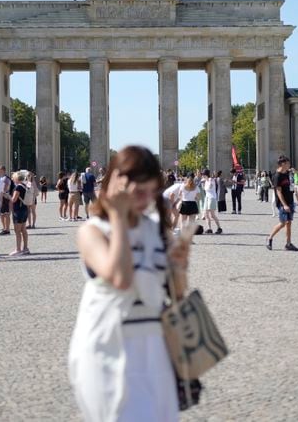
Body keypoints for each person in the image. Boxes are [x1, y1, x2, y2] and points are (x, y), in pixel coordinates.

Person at [69, 146, 190, 421]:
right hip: (109, 348)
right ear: (117, 183)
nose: (144, 199)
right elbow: (121, 279)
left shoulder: (157, 229)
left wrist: (180, 267)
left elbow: (177, 295)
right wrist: (119, 217)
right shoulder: (92, 232)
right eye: (137, 191)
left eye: (150, 191)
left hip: (154, 347)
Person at [266, 156, 298, 251]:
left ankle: (288, 244)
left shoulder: (287, 173)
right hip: (282, 203)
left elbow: (296, 174)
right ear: (283, 164)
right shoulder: (277, 176)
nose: (289, 165)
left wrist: (294, 171)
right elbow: (278, 192)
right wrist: (284, 205)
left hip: (290, 200)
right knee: (283, 223)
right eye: (288, 163)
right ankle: (269, 238)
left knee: (289, 223)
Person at [9, 171, 30, 256]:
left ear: (17, 178)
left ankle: (18, 249)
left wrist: (7, 196)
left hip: (18, 210)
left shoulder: (18, 187)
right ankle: (25, 248)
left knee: (17, 231)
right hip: (25, 209)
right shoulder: (25, 186)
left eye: (13, 177)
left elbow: (14, 199)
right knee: (23, 230)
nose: (12, 179)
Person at [201, 169, 222, 234]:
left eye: (203, 175)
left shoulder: (211, 180)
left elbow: (209, 188)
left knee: (212, 215)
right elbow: (204, 189)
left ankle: (219, 228)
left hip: (212, 198)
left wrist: (206, 181)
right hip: (207, 197)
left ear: (206, 175)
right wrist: (203, 183)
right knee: (206, 214)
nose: (202, 176)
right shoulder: (206, 181)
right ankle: (209, 229)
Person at [0, 166, 12, 235]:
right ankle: (4, 228)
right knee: (2, 214)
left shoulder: (6, 178)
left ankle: (7, 229)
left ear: (3, 170)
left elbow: (5, 189)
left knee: (6, 214)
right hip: (1, 197)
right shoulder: (0, 178)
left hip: (5, 197)